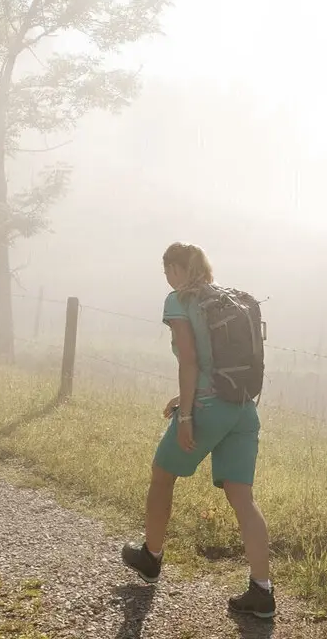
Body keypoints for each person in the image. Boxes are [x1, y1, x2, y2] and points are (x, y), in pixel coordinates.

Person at [121, 242, 275, 619]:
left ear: (176, 269)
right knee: (243, 497)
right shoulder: (228, 299)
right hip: (242, 408)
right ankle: (262, 592)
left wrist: (187, 415)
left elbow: (188, 359)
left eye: (166, 270)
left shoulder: (179, 300)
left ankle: (151, 556)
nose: (167, 278)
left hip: (207, 408)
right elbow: (213, 362)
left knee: (162, 475)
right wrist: (184, 398)